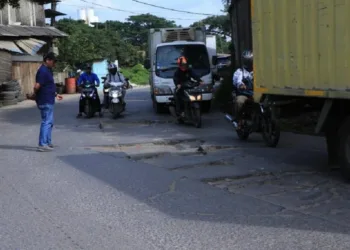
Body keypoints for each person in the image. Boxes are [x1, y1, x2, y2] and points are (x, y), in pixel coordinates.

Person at [26, 52, 63, 152]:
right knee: (46, 122)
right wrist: (35, 94)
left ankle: (47, 142)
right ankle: (42, 144)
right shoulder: (42, 71)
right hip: (45, 100)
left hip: (49, 99)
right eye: (53, 61)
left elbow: (48, 86)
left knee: (50, 122)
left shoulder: (48, 70)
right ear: (47, 60)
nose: (54, 64)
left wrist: (56, 94)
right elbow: (37, 86)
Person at [233, 50, 254, 127]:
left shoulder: (257, 70)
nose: (250, 62)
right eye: (248, 60)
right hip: (244, 94)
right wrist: (241, 85)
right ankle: (238, 120)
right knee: (239, 102)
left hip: (256, 93)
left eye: (251, 60)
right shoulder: (240, 72)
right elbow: (237, 81)